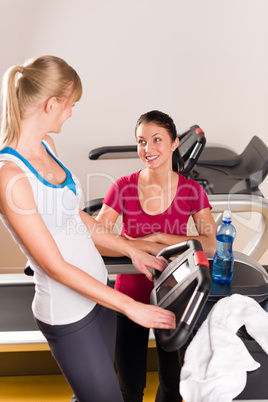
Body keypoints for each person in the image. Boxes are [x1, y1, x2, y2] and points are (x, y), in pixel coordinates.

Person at [0, 57, 176, 402]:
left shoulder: (46, 147)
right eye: (70, 105)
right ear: (52, 104)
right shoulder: (10, 176)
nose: (70, 113)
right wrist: (130, 306)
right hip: (68, 312)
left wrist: (130, 249)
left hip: (98, 294)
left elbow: (73, 216)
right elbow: (54, 266)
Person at [96, 110, 217, 402]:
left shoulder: (192, 190)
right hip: (130, 296)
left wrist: (160, 238)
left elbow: (211, 244)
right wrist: (139, 247)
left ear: (175, 143)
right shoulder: (123, 186)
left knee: (173, 383)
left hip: (175, 295)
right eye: (141, 142)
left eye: (156, 140)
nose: (147, 149)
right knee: (130, 387)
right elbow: (98, 239)